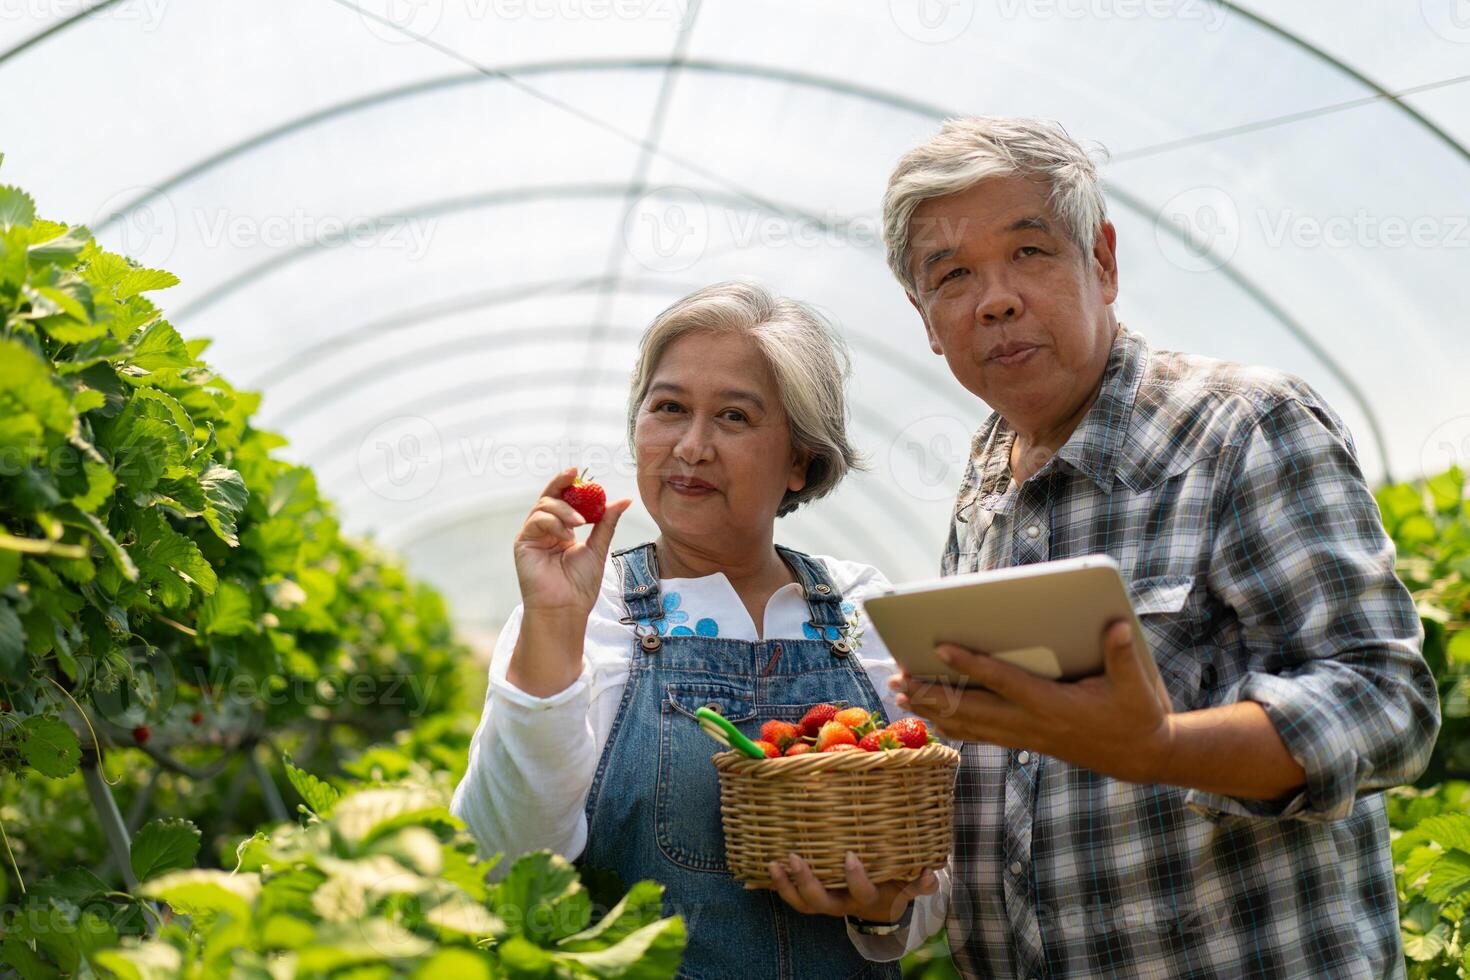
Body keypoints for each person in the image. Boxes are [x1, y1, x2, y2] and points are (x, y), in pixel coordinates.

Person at [874, 116, 1440, 978]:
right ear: (924, 317)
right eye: (952, 275)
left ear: (1101, 262)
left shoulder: (1240, 427)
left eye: (1029, 252)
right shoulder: (985, 483)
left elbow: (1384, 701)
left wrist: (1163, 748)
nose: (995, 299)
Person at [450, 281, 949, 978]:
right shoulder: (590, 610)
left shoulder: (866, 614)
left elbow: (938, 877)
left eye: (735, 417)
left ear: (801, 459)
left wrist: (886, 907)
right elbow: (503, 856)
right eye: (669, 408)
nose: (691, 446)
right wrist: (553, 627)